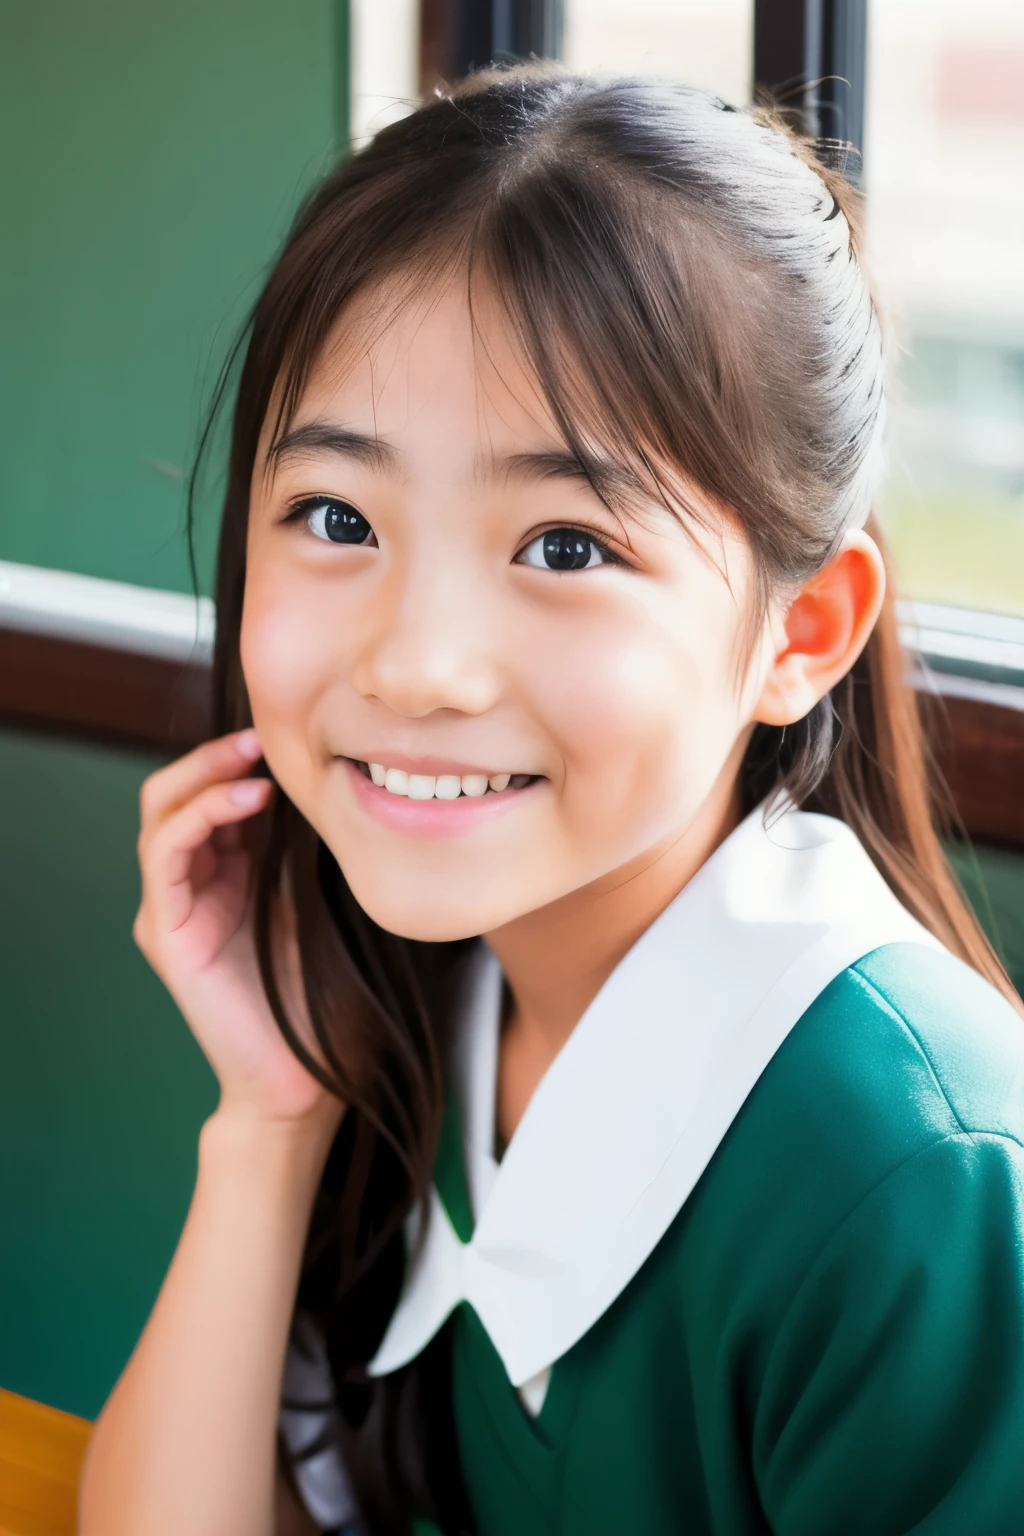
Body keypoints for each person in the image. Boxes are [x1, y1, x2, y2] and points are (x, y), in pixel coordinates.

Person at [78, 64, 1024, 1536]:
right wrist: (270, 1118)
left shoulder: (928, 1181)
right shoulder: (446, 990)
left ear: (801, 633)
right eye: (339, 519)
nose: (421, 663)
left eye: (566, 546)